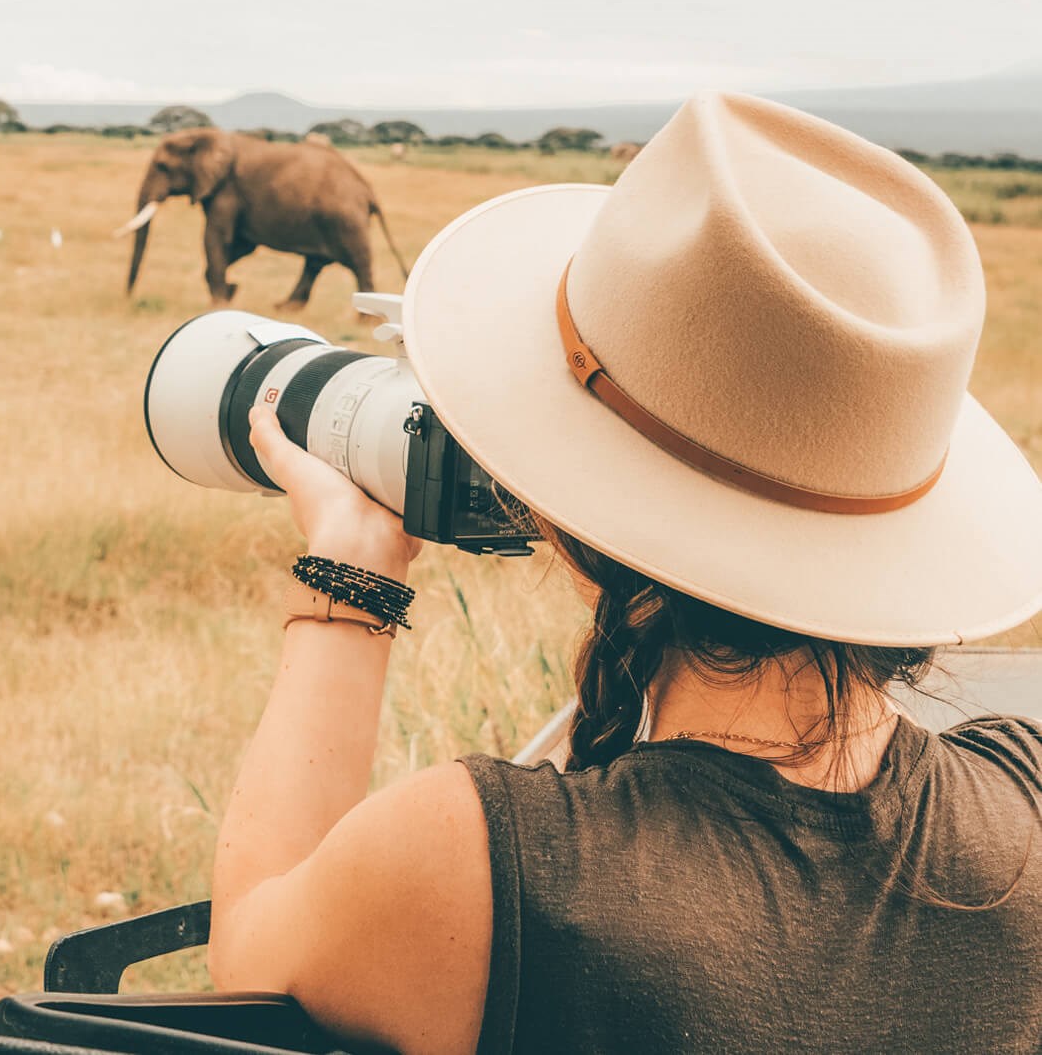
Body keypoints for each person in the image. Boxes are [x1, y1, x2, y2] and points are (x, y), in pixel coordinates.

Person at [207, 92, 1042, 1054]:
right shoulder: (1021, 800)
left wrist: (350, 585)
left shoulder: (481, 862)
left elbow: (251, 951)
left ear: (572, 529)